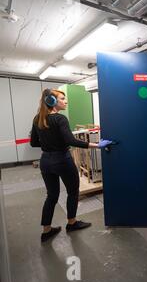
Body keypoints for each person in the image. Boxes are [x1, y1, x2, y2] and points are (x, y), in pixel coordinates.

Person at [30, 88, 112, 242]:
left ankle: (46, 230)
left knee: (52, 196)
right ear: (52, 102)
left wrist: (49, 141)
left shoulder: (37, 119)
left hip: (45, 162)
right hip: (62, 160)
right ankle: (71, 223)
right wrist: (97, 145)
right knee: (73, 192)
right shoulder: (60, 119)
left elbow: (34, 143)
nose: (65, 101)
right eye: (62, 98)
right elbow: (71, 141)